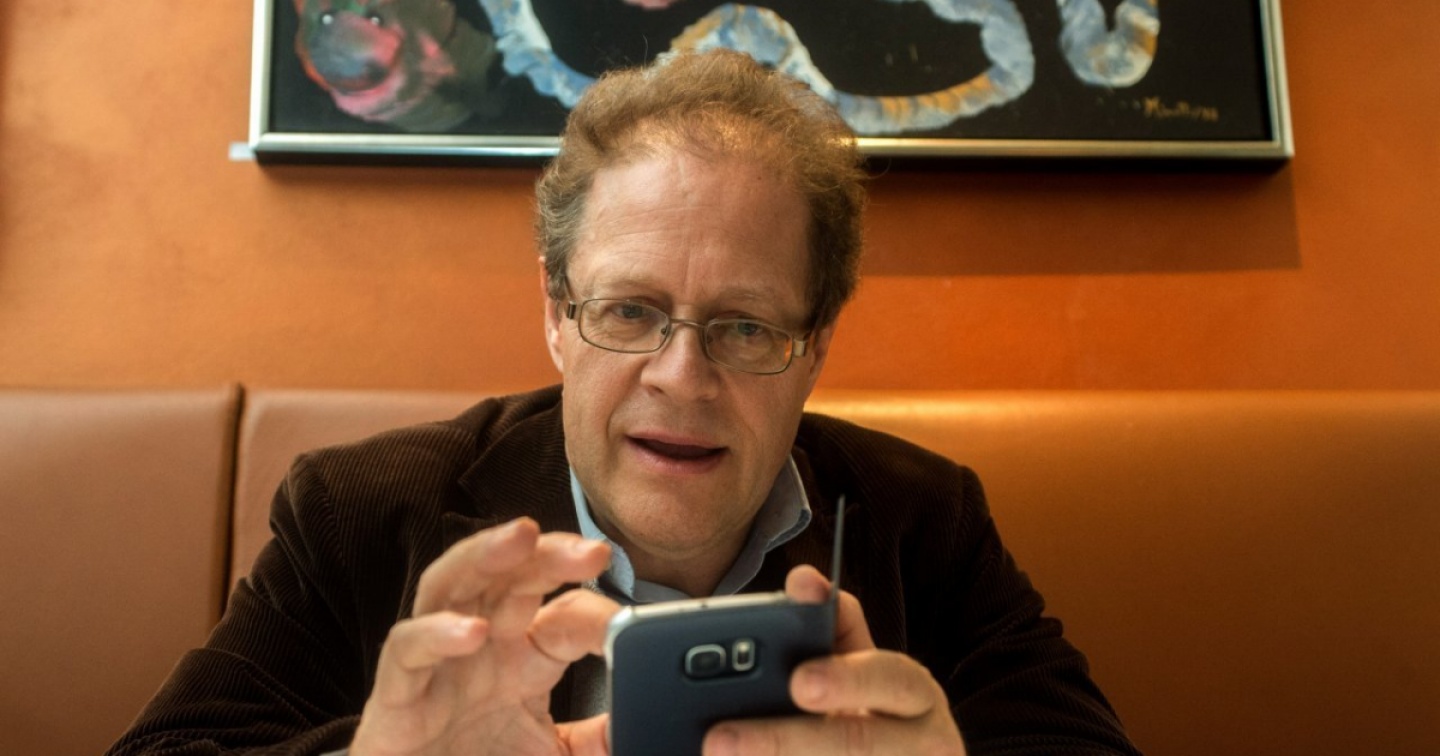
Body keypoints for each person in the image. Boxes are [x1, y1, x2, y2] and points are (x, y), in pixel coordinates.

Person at [109, 49, 1139, 755]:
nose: (681, 377)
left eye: (746, 326)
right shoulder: (362, 510)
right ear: (557, 315)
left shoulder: (928, 523)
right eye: (630, 311)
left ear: (817, 344)